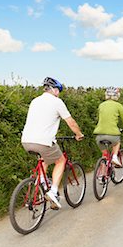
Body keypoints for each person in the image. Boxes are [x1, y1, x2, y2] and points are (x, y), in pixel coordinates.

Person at [21, 77, 84, 210]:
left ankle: (40, 185)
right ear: (55, 90)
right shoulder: (57, 102)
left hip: (26, 140)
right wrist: (78, 134)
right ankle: (53, 191)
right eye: (58, 91)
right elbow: (71, 122)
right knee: (60, 160)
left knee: (45, 159)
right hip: (43, 141)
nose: (59, 93)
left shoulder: (35, 101)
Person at [93, 87, 123, 167]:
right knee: (117, 142)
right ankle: (115, 157)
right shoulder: (118, 105)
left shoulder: (101, 105)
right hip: (112, 134)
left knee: (104, 155)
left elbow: (101, 118)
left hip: (99, 135)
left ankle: (102, 175)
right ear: (117, 95)